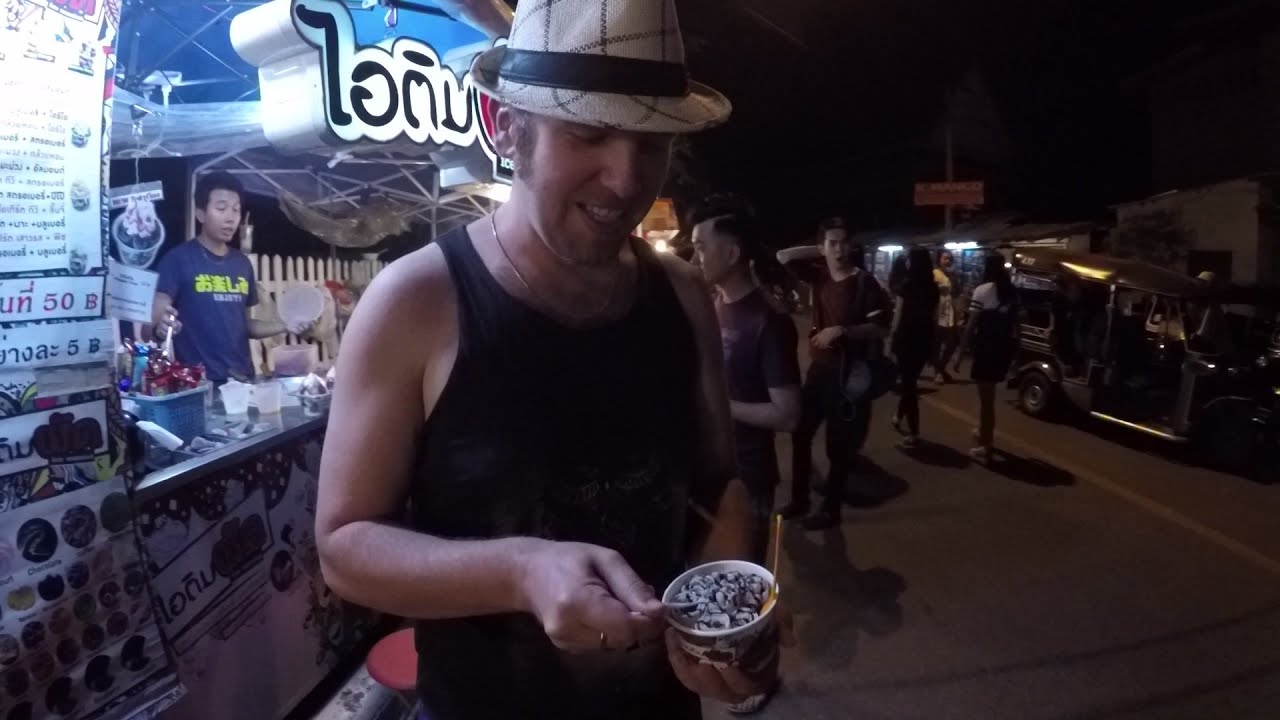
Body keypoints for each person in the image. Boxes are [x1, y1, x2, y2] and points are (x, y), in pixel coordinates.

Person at [313, 2, 784, 718]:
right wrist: (519, 569)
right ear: (507, 129)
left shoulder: (683, 294)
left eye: (651, 143)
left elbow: (719, 484)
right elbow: (344, 548)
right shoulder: (416, 302)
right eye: (589, 134)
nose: (626, 181)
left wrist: (717, 622)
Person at [690, 209, 798, 714]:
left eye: (701, 246)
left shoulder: (767, 321)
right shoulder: (713, 305)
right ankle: (733, 670)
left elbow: (787, 413)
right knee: (719, 591)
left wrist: (718, 403)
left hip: (751, 477)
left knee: (749, 594)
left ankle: (759, 678)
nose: (695, 256)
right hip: (714, 473)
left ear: (731, 254)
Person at [777, 218, 893, 530]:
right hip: (819, 371)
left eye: (844, 242)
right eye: (833, 243)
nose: (841, 249)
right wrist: (816, 249)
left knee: (837, 447)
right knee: (800, 433)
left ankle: (831, 510)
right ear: (822, 247)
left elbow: (883, 326)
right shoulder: (819, 276)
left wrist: (842, 330)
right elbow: (783, 257)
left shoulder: (864, 283)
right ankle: (800, 499)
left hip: (848, 374)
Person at [151, 172, 306, 383]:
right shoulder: (177, 260)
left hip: (243, 379)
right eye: (221, 208)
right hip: (198, 383)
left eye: (236, 209)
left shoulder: (242, 264)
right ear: (200, 214)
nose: (231, 217)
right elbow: (150, 327)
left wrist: (285, 325)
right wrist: (160, 328)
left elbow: (245, 325)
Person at [963, 255, 1020, 462]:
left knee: (986, 401)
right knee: (989, 397)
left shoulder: (982, 291)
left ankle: (986, 445)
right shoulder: (1011, 291)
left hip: (986, 348)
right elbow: (1017, 324)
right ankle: (983, 432)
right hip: (1003, 348)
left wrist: (961, 351)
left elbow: (971, 325)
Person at [890, 247, 939, 449]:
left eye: (909, 259)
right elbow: (934, 317)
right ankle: (899, 416)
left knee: (909, 385)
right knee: (911, 381)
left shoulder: (906, 285)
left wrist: (891, 341)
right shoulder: (933, 287)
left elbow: (898, 316)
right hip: (924, 338)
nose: (907, 262)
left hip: (906, 337)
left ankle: (913, 433)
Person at [932, 250, 962, 382]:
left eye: (949, 258)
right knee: (937, 344)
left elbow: (957, 292)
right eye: (945, 258)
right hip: (937, 312)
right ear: (939, 259)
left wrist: (954, 278)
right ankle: (938, 372)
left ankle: (940, 368)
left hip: (950, 313)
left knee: (952, 343)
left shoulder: (952, 275)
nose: (947, 261)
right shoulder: (934, 273)